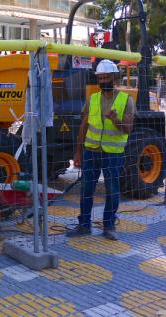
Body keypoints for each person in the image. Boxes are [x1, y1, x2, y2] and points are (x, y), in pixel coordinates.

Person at [67, 59, 134, 241]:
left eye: (106, 77)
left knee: (112, 190)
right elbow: (83, 127)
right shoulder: (93, 99)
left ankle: (109, 225)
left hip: (113, 154)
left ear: (114, 77)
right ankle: (84, 226)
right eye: (100, 78)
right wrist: (78, 153)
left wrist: (115, 121)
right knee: (86, 189)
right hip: (91, 151)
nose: (103, 81)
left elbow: (128, 128)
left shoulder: (125, 100)